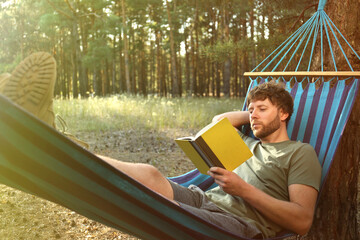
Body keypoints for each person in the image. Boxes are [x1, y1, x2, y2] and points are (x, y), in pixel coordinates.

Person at [1, 53, 321, 239]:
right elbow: (219, 119)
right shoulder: (247, 141)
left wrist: (243, 189)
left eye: (262, 110)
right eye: (250, 110)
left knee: (158, 209)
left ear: (284, 113)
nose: (252, 115)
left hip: (240, 225)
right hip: (204, 199)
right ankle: (55, 143)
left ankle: (44, 146)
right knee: (150, 174)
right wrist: (254, 109)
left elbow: (302, 221)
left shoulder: (300, 153)